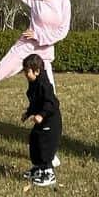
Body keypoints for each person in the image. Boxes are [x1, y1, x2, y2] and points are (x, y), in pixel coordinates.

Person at [21, 53, 61, 186]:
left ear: (37, 71)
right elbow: (35, 102)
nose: (25, 74)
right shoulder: (33, 84)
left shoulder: (45, 85)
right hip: (41, 122)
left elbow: (52, 103)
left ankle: (48, 173)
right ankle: (38, 168)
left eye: (27, 72)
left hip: (50, 122)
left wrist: (41, 115)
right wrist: (28, 113)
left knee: (45, 146)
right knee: (34, 140)